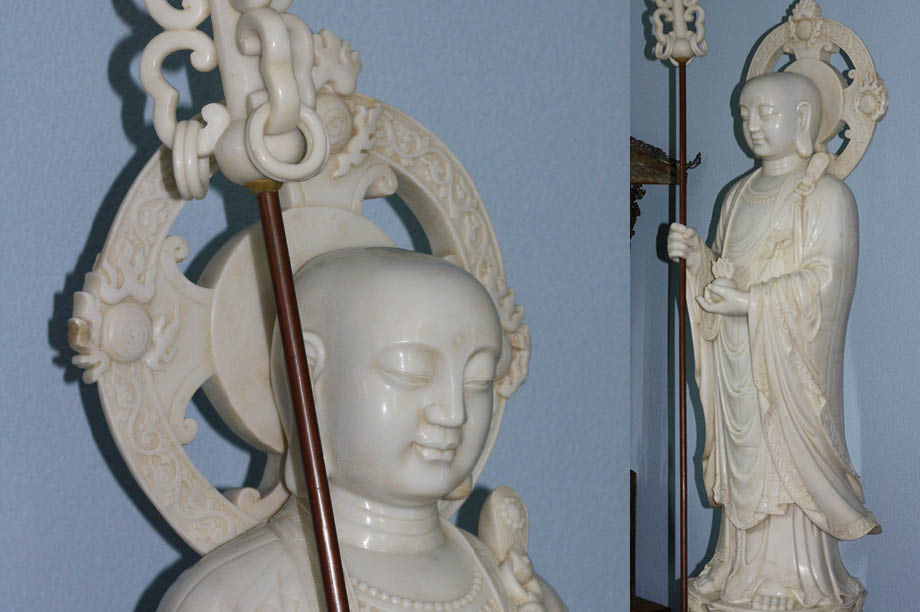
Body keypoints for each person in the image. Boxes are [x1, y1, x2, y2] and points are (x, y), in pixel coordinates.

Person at [158, 247, 565, 612]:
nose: (453, 412)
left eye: (477, 381)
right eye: (410, 372)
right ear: (310, 379)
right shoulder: (234, 598)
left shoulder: (511, 589)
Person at [668, 72, 879, 611]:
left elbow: (826, 282)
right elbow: (725, 274)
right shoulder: (736, 196)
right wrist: (698, 261)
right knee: (746, 468)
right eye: (745, 114)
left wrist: (752, 303)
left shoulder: (828, 196)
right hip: (739, 360)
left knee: (784, 468)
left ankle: (798, 579)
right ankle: (739, 568)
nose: (754, 125)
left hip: (789, 365)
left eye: (767, 113)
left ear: (804, 119)